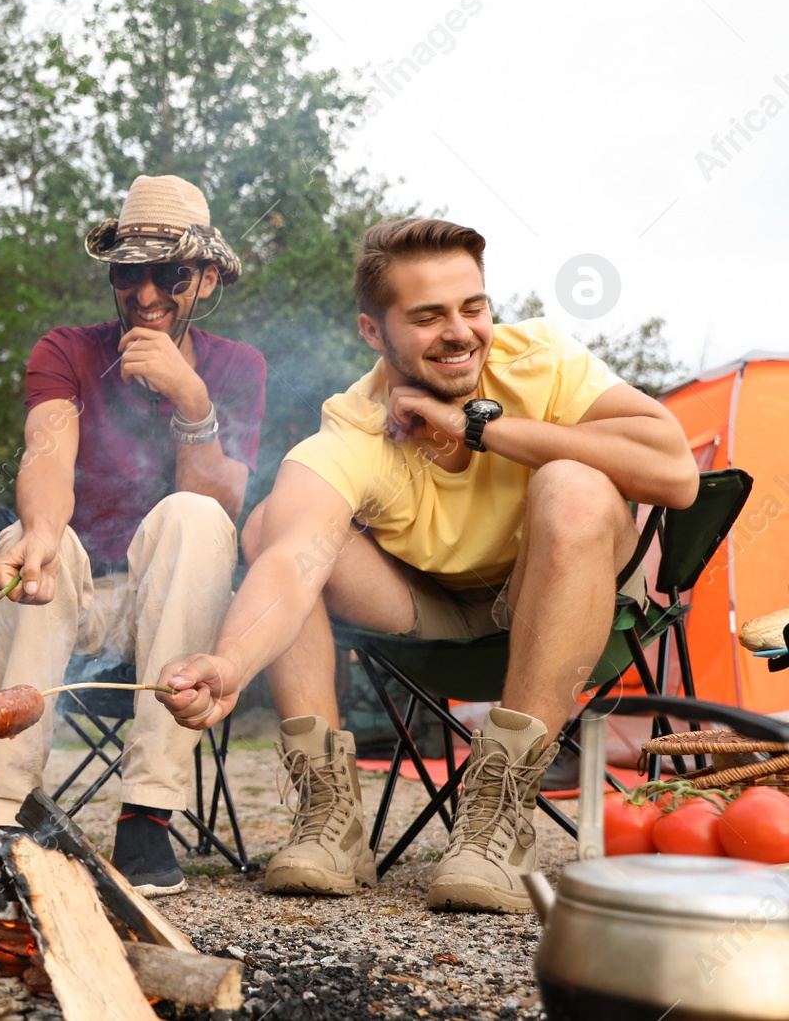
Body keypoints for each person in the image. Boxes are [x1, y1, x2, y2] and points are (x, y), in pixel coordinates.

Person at [155, 218, 699, 913]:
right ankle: (330, 813)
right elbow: (292, 558)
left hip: (560, 585)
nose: (461, 331)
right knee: (267, 523)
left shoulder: (538, 360)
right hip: (428, 608)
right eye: (428, 316)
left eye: (473, 307)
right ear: (373, 332)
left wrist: (477, 424)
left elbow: (676, 473)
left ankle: (500, 810)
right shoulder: (355, 425)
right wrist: (229, 662)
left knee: (576, 485)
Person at [0, 175, 266, 896]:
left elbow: (223, 508)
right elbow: (47, 453)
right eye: (128, 271)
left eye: (167, 272)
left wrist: (192, 402)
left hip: (169, 612)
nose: (144, 295)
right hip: (70, 601)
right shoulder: (67, 350)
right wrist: (42, 530)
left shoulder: (237, 367)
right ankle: (6, 816)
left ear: (204, 278)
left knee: (194, 517)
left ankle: (148, 814)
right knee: (30, 538)